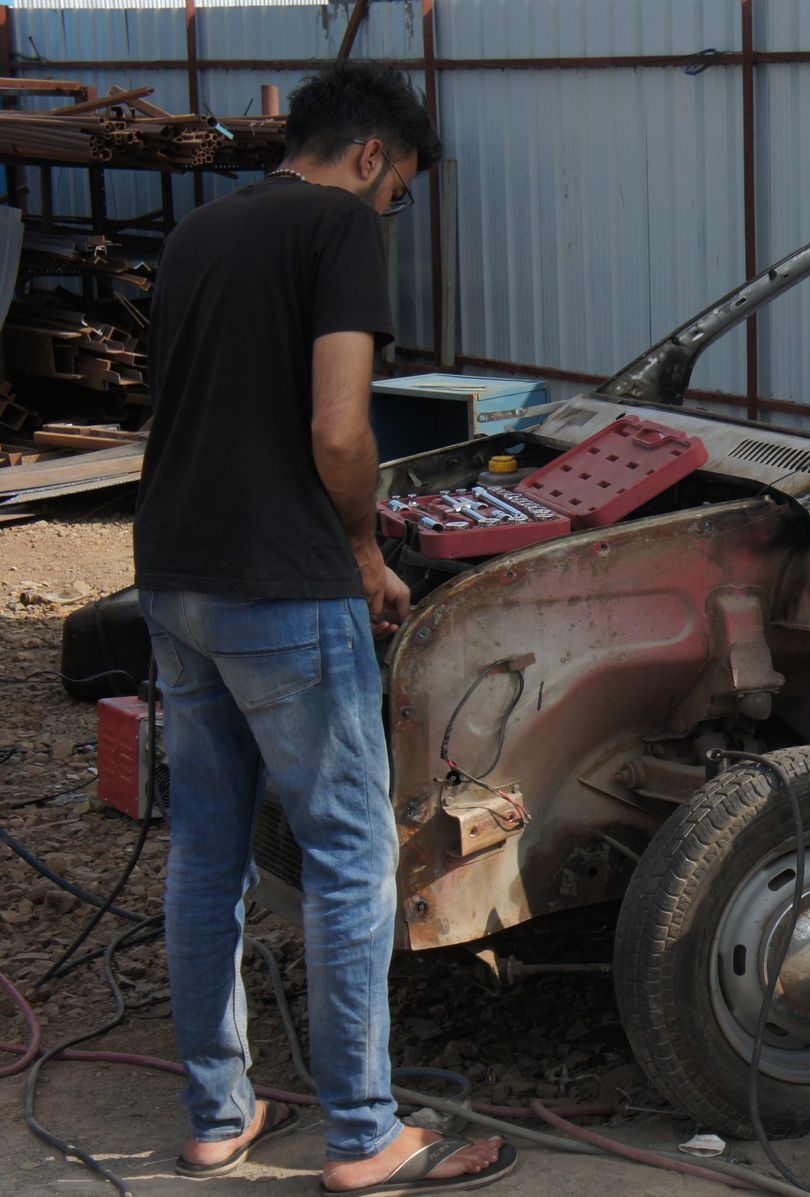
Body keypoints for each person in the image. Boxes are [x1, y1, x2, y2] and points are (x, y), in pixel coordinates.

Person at [133, 63, 514, 1194]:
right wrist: (361, 557)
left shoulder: (202, 231)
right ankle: (364, 1135)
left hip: (172, 572)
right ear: (368, 158)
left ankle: (217, 1115)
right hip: (281, 585)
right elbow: (340, 430)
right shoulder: (340, 229)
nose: (388, 209)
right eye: (395, 189)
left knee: (207, 847)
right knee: (351, 855)